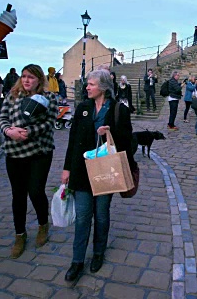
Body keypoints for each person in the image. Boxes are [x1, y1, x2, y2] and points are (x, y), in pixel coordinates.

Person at [62, 69, 136, 281]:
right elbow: (73, 139)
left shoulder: (118, 110)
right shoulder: (83, 108)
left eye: (91, 84)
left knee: (101, 215)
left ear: (103, 87)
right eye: (87, 84)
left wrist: (109, 133)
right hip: (82, 171)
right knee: (83, 216)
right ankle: (77, 261)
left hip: (106, 171)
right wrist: (67, 168)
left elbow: (128, 142)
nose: (87, 87)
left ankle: (98, 253)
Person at [0, 64, 58, 259]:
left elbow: (50, 122)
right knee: (18, 195)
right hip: (14, 152)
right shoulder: (12, 95)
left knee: (35, 190)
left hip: (39, 152)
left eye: (31, 77)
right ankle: (20, 235)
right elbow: (2, 117)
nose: (26, 80)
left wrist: (28, 132)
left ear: (39, 80)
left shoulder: (48, 98)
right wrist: (9, 131)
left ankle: (43, 225)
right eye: (24, 76)